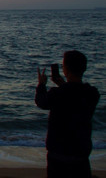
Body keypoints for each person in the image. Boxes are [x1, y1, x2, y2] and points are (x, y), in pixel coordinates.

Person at [35, 50, 100, 178]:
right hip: (81, 154)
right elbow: (75, 95)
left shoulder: (57, 94)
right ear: (84, 68)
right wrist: (62, 84)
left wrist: (41, 85)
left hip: (58, 155)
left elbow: (41, 102)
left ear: (65, 69)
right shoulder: (92, 94)